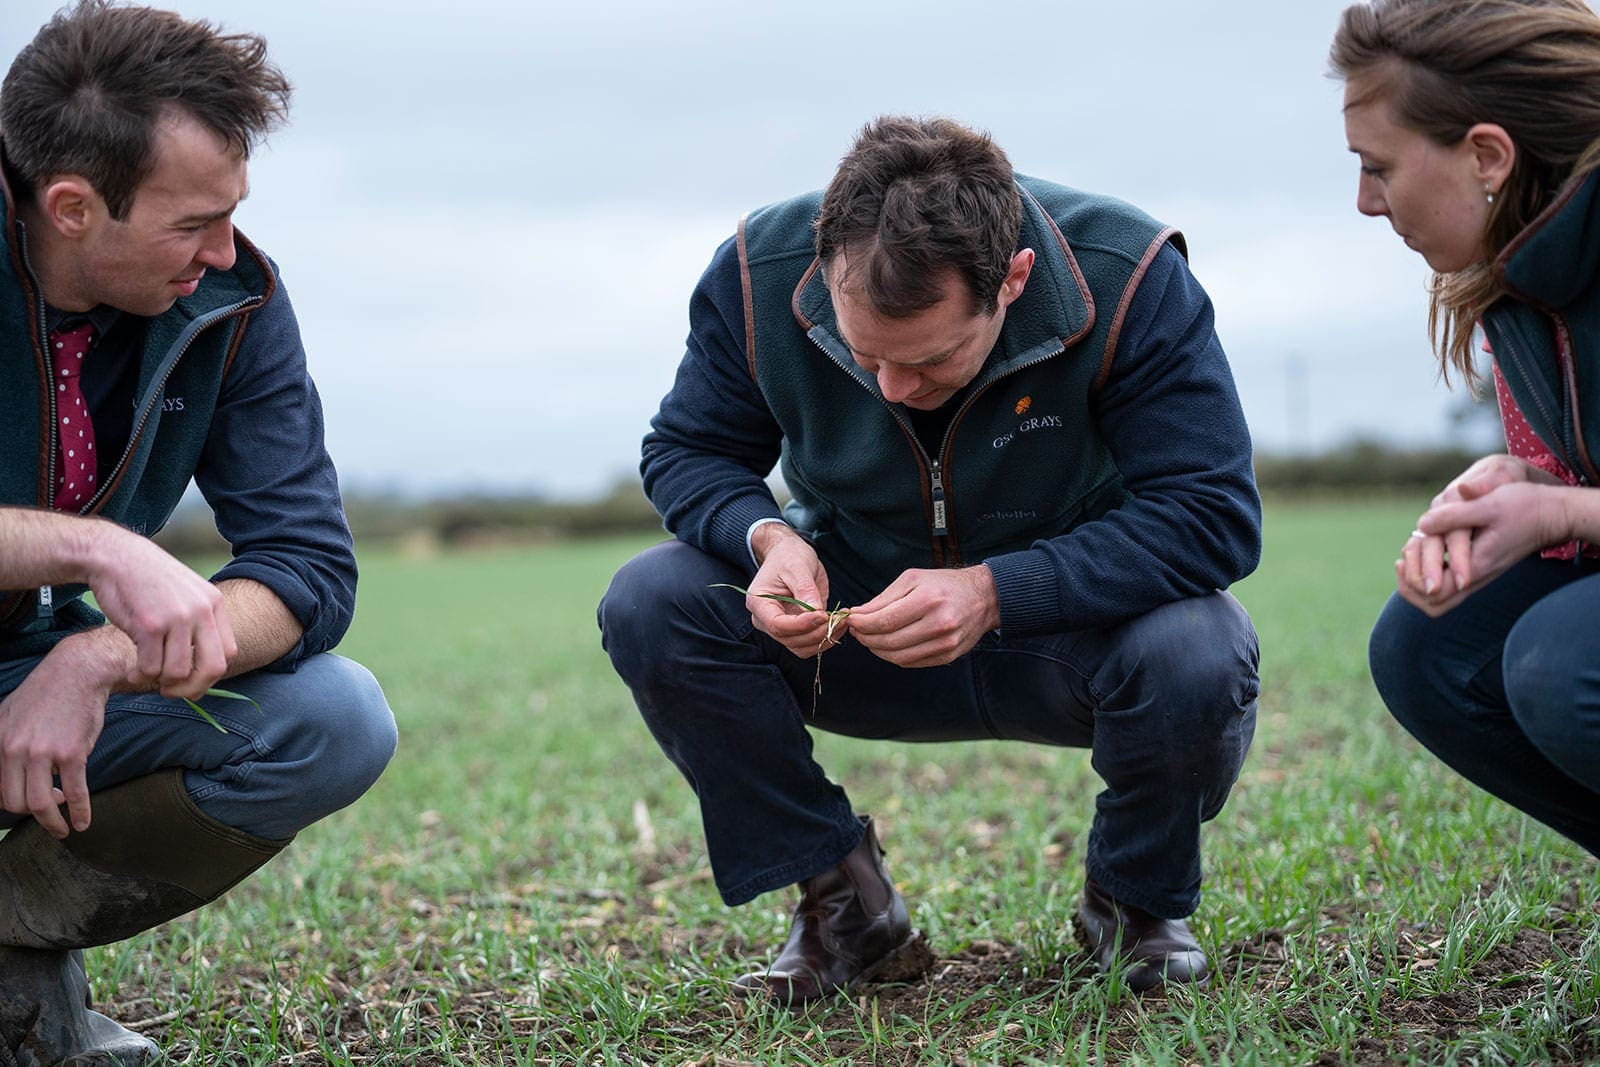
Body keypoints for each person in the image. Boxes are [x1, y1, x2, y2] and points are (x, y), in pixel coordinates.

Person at [598, 116, 1262, 1005]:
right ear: (822, 270)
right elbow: (688, 449)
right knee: (652, 598)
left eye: (932, 358)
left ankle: (1134, 906)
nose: (892, 389)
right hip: (855, 623)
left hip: (1070, 630)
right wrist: (769, 537)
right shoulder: (756, 276)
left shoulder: (1132, 275)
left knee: (1200, 644)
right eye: (863, 354)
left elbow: (1210, 512)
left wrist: (996, 590)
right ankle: (846, 904)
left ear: (1013, 280)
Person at [0, 3, 397, 1062]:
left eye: (233, 211)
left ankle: (9, 946)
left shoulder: (232, 302)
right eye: (192, 223)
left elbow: (306, 566)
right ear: (74, 206)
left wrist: (99, 656)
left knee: (333, 716)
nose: (224, 250)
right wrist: (95, 547)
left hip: (28, 668)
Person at [1334, 0, 1600, 859]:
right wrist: (1530, 485)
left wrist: (1563, 515)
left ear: (1487, 154)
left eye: (1379, 167)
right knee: (1428, 650)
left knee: (1560, 666)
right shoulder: (1522, 272)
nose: (1365, 202)